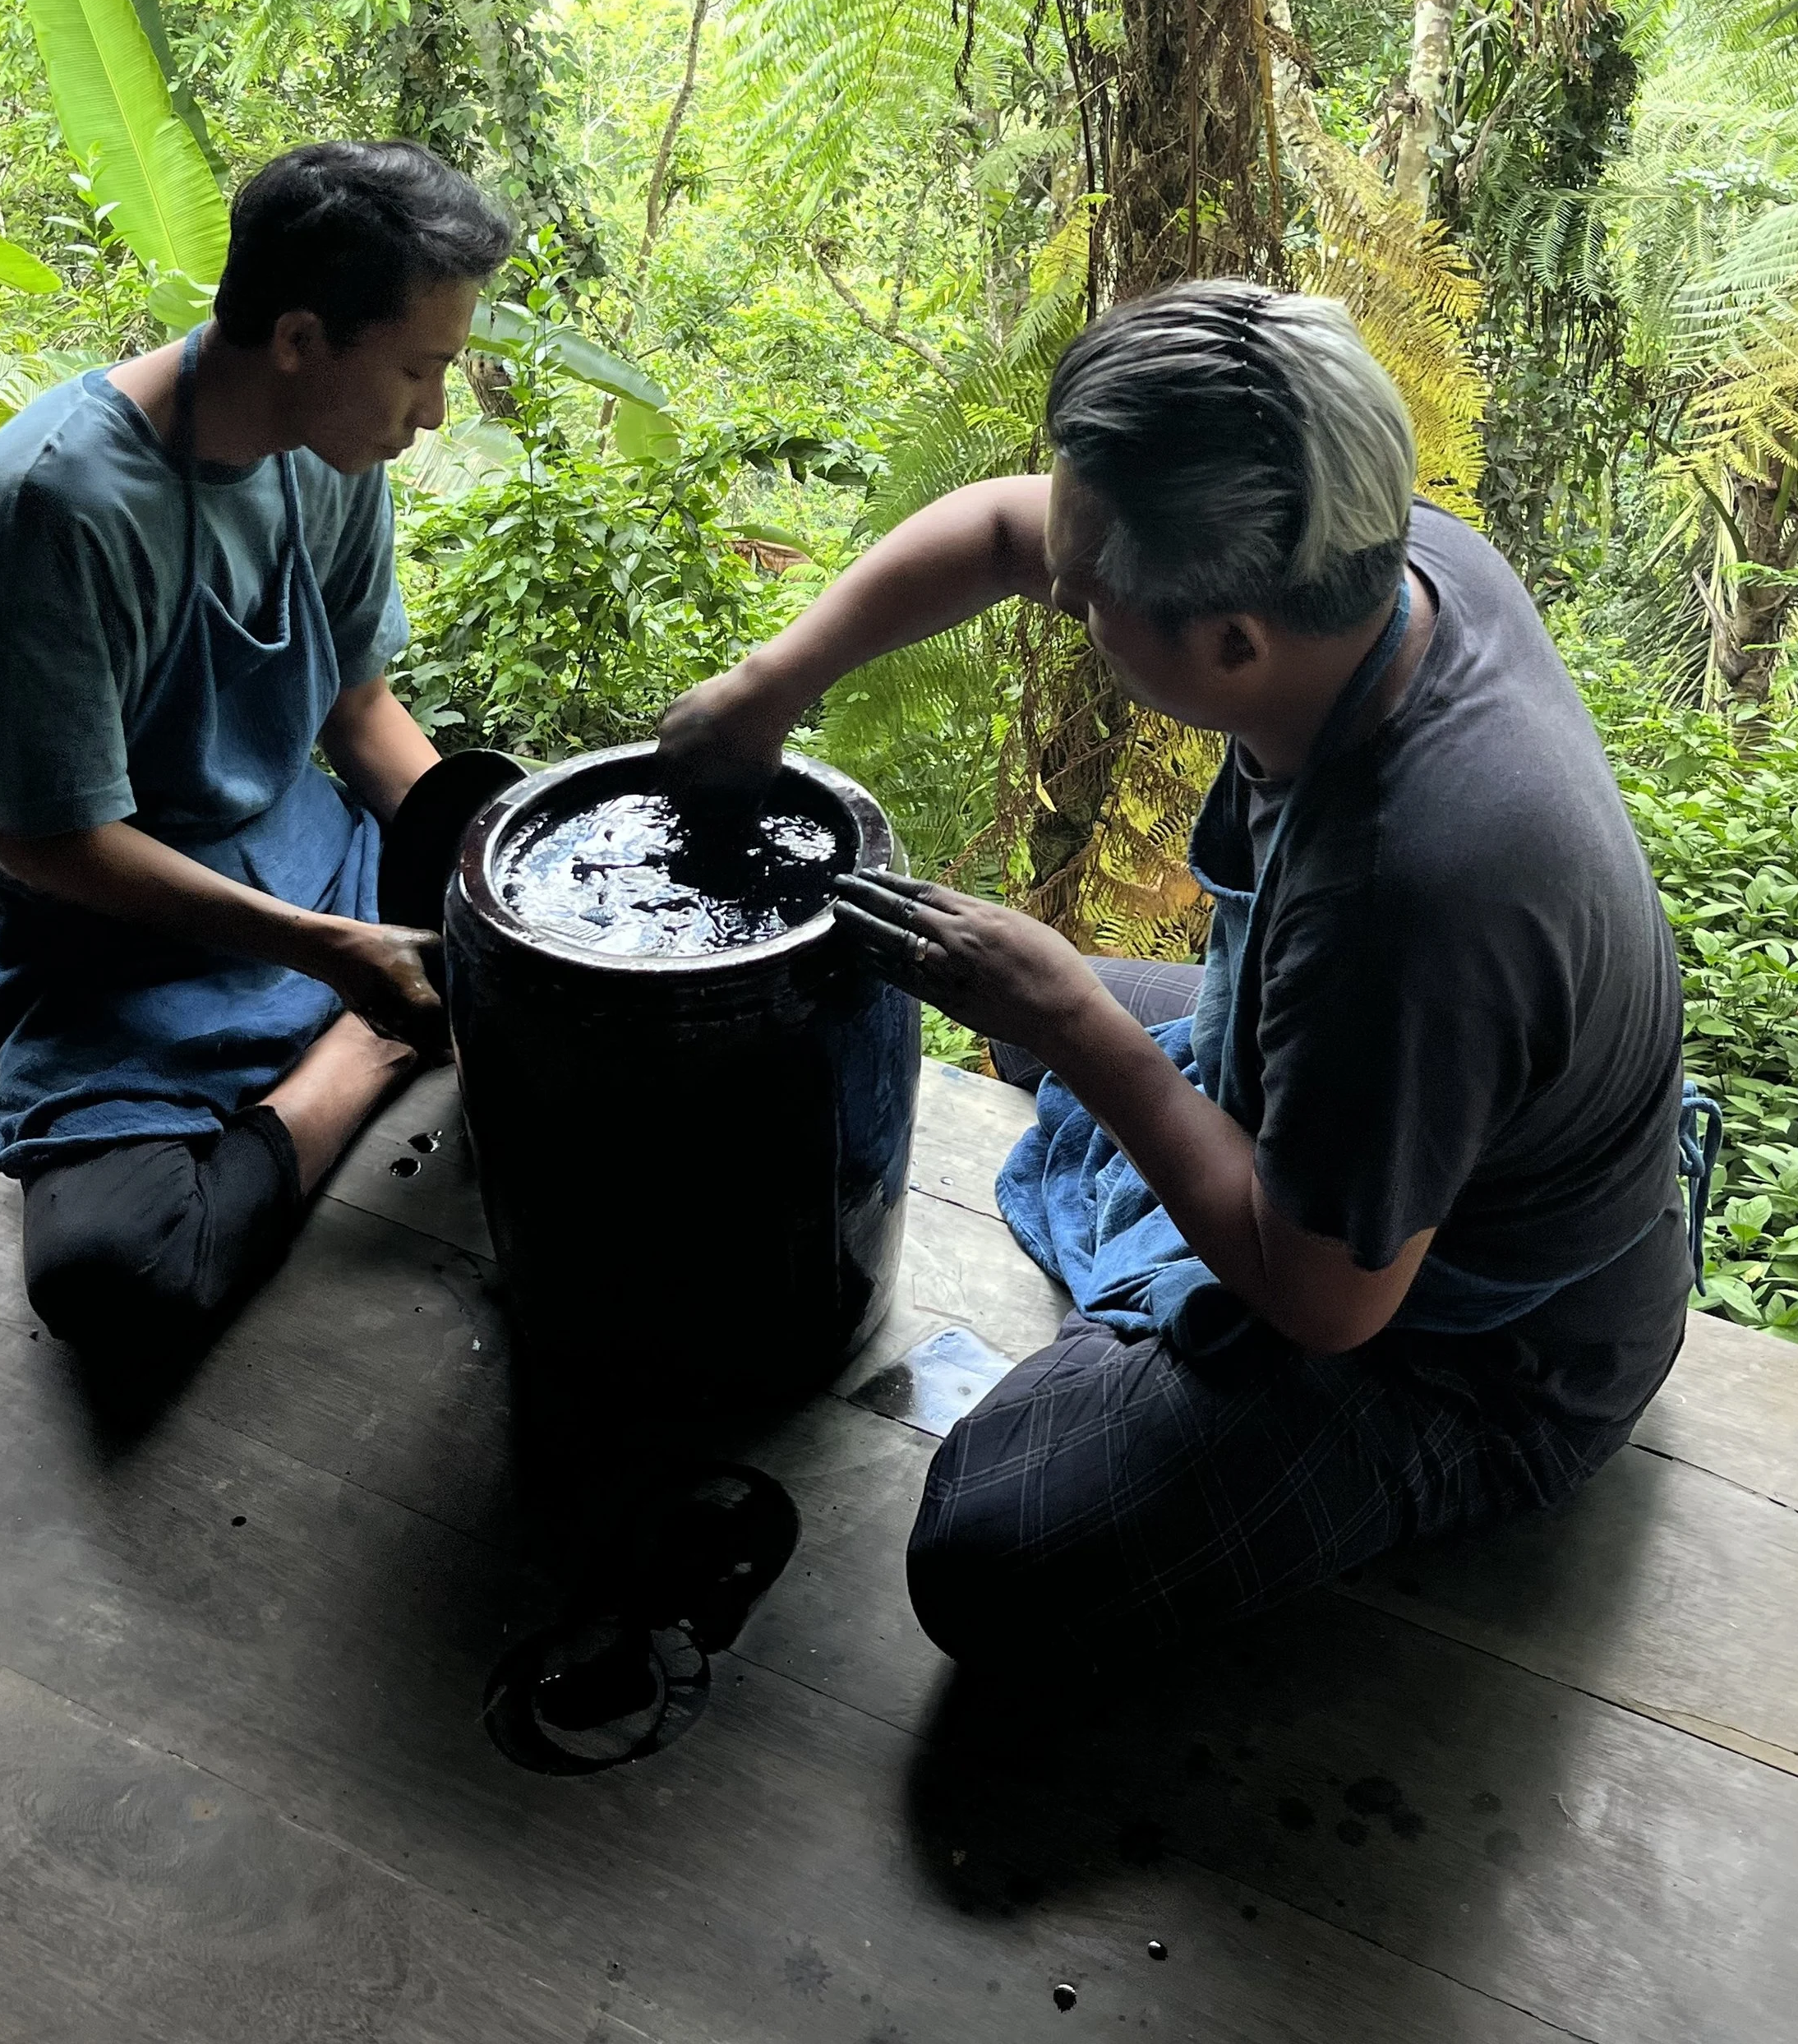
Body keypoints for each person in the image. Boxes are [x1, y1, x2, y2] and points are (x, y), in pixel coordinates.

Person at [659, 281, 1694, 1670]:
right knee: (997, 1001)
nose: (1062, 593)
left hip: (1480, 1345)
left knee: (987, 1537)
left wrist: (1084, 1027)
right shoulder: (1375, 555)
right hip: (1353, 1071)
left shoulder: (1410, 893)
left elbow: (1329, 1305)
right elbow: (1000, 527)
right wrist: (772, 684)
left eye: (1089, 601)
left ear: (1229, 644)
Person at [0, 138, 511, 1370]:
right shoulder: (58, 504)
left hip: (321, 875)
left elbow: (357, 709)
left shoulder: (340, 453)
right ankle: (370, 1047)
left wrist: (488, 883)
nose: (436, 412)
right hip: (120, 939)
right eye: (419, 369)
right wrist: (334, 961)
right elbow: (42, 840)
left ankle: (369, 1023)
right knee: (119, 1275)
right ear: (299, 340)